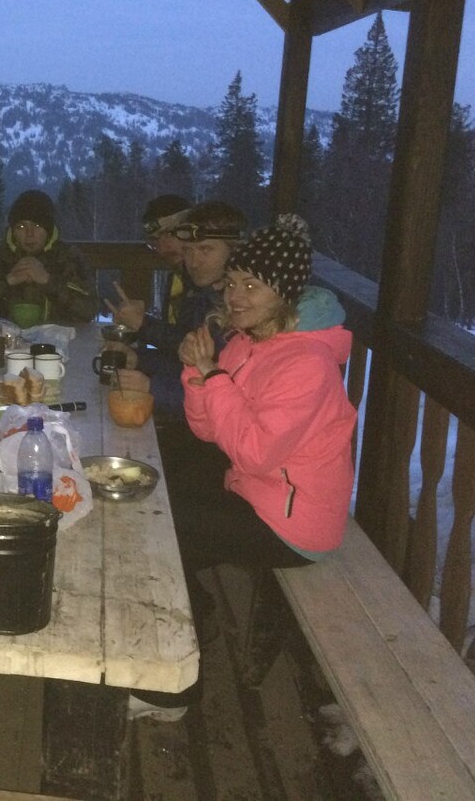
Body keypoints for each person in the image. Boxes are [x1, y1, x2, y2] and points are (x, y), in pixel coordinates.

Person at [132, 215, 357, 721]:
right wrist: (195, 374)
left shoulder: (308, 363)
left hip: (293, 526)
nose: (236, 295)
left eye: (252, 285)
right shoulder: (248, 339)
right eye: (233, 282)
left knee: (163, 528)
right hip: (254, 488)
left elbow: (254, 450)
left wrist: (212, 377)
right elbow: (209, 430)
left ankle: (173, 692)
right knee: (154, 488)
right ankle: (193, 612)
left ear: (285, 293)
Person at [107, 200, 248, 416]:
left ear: (235, 249)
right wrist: (138, 359)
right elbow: (184, 360)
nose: (194, 262)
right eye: (188, 251)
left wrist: (152, 388)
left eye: (206, 249)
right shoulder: (201, 293)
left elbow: (226, 394)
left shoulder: (243, 307)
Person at [0, 189, 98, 324]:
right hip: (6, 335)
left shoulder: (69, 257)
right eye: (21, 226)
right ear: (13, 231)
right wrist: (7, 281)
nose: (29, 234)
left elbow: (89, 310)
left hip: (60, 335)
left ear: (48, 230)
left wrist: (48, 281)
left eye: (37, 225)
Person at [141, 193, 192, 325]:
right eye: (155, 240)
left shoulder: (205, 282)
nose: (163, 247)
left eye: (169, 234)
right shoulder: (175, 278)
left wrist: (142, 323)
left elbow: (187, 334)